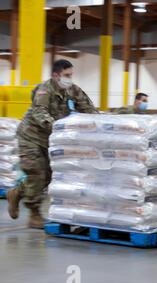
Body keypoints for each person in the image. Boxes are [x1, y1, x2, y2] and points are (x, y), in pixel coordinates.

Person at [6, 59, 98, 229]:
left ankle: (16, 193)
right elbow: (40, 112)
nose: (70, 78)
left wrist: (101, 125)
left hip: (51, 139)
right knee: (36, 173)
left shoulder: (73, 90)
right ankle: (34, 214)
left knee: (48, 177)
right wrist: (59, 128)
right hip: (31, 137)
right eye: (66, 75)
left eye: (71, 75)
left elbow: (88, 109)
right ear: (56, 75)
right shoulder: (44, 90)